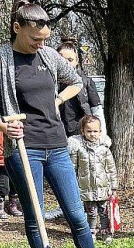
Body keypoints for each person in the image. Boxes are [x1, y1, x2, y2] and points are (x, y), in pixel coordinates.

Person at [0, 0, 118, 248]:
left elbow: (76, 82)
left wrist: (56, 102)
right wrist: (4, 127)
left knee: (77, 216)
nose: (41, 44)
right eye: (35, 38)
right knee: (36, 218)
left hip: (56, 145)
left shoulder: (48, 56)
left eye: (45, 39)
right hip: (23, 148)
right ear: (17, 28)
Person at [45, 40, 107, 221]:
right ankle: (63, 208)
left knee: (86, 175)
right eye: (61, 59)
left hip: (84, 137)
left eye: (70, 60)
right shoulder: (50, 82)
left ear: (77, 60)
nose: (66, 63)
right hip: (59, 136)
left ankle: (90, 213)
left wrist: (101, 134)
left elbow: (96, 109)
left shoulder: (86, 82)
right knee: (64, 176)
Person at [67, 115, 117, 244]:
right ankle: (91, 232)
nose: (92, 134)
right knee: (91, 212)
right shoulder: (79, 148)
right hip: (86, 187)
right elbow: (73, 168)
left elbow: (111, 169)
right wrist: (73, 185)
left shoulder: (104, 149)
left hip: (103, 188)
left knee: (103, 211)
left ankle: (105, 231)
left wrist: (113, 187)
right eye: (89, 131)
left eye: (95, 131)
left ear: (100, 132)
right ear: (83, 131)